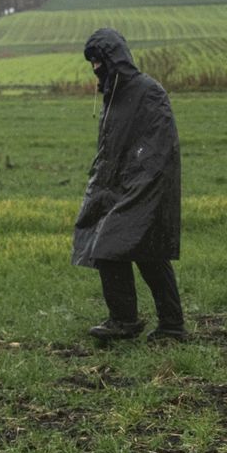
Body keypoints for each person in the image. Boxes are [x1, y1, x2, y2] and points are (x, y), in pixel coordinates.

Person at [71, 28, 185, 342]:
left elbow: (159, 144)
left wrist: (139, 183)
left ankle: (129, 321)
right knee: (145, 253)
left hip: (147, 186)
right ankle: (165, 324)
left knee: (114, 248)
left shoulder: (148, 91)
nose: (95, 67)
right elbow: (110, 147)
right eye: (92, 61)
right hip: (119, 186)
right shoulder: (112, 94)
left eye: (99, 60)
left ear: (114, 57)